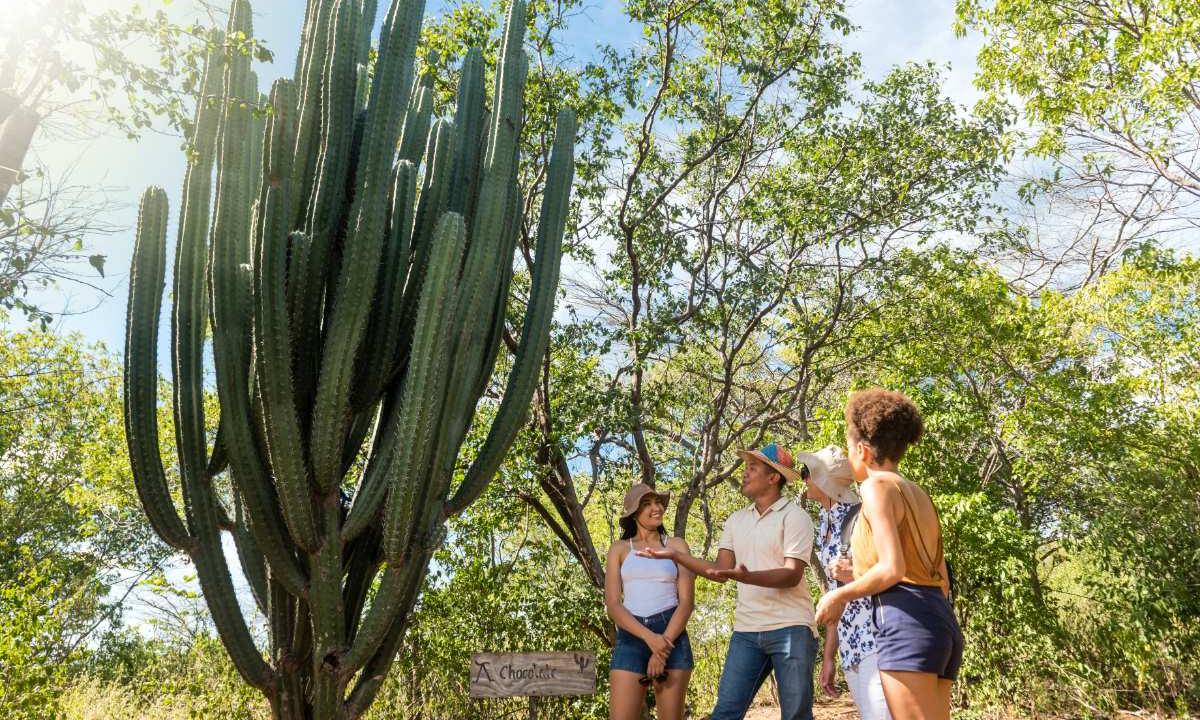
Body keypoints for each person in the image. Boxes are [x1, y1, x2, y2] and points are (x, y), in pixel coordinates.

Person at [815, 389, 963, 720]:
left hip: (904, 619)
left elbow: (892, 568)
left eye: (849, 448)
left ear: (862, 450)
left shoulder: (875, 486)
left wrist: (837, 595)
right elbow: (941, 577)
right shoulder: (920, 493)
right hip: (941, 621)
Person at [641, 443, 817, 720]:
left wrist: (748, 577)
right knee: (724, 713)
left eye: (753, 468)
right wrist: (676, 556)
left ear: (773, 477)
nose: (745, 473)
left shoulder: (795, 517)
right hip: (747, 631)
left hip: (792, 627)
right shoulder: (736, 520)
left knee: (796, 715)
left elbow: (792, 574)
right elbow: (720, 571)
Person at [797, 445, 891, 720]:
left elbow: (895, 570)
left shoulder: (864, 515)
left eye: (807, 472)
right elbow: (836, 596)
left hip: (876, 640)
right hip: (849, 647)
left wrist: (857, 571)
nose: (803, 478)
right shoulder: (824, 524)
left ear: (823, 480)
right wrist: (830, 657)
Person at [604, 483, 695, 720]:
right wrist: (650, 639)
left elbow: (686, 602)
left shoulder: (676, 546)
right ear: (634, 513)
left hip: (672, 635)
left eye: (658, 502)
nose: (656, 508)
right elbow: (613, 604)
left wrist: (662, 647)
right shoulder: (619, 549)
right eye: (647, 504)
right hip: (632, 636)